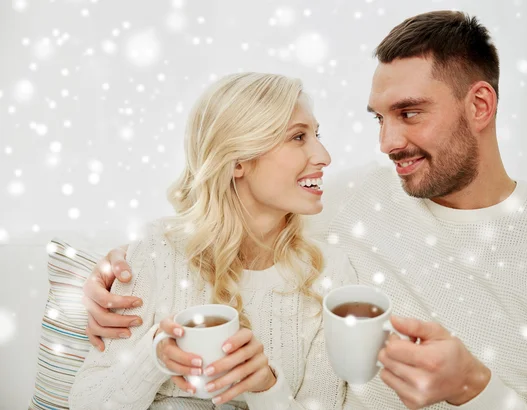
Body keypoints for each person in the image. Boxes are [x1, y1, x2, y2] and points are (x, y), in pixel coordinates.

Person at [83, 10, 527, 410]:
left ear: (480, 106)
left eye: (410, 113)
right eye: (379, 118)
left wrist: (473, 386)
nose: (387, 142)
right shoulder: (350, 201)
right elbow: (225, 220)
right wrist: (113, 273)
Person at [69, 72, 359, 410]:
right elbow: (86, 402)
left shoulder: (330, 274)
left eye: (316, 135)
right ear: (238, 161)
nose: (324, 155)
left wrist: (266, 388)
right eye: (298, 137)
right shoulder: (156, 255)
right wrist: (155, 355)